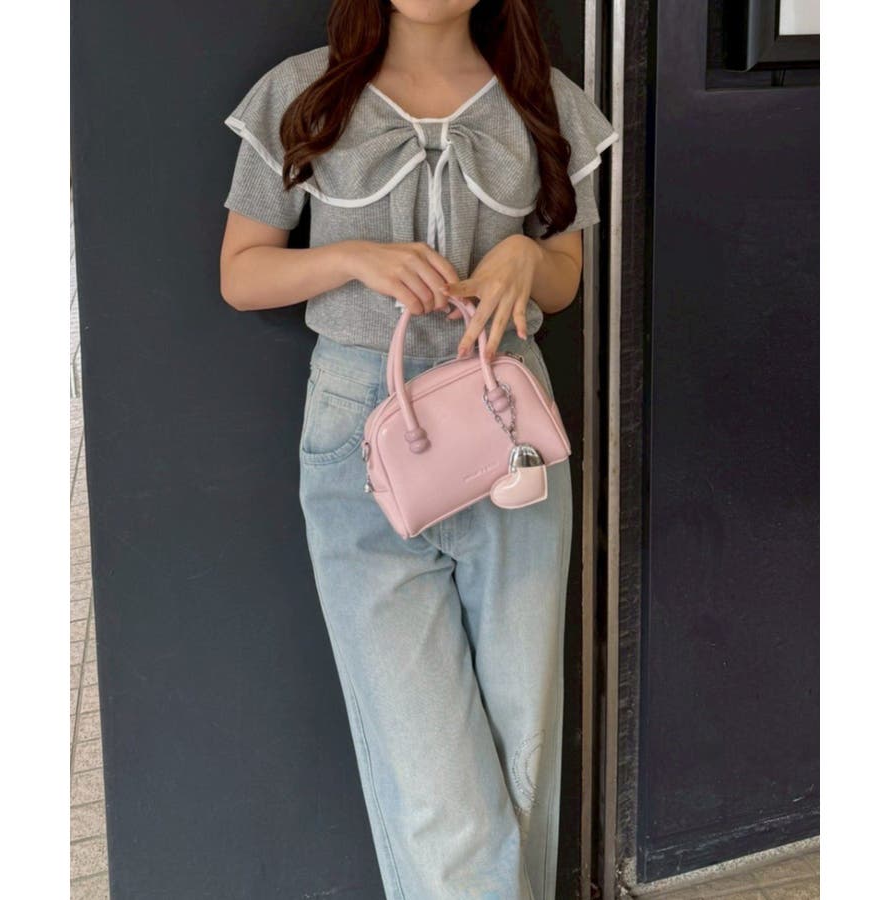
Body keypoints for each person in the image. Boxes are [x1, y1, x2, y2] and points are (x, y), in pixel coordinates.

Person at [218, 2, 618, 897]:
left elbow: (564, 273)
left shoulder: (544, 102)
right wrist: (352, 258)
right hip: (363, 433)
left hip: (508, 427)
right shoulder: (303, 94)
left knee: (523, 742)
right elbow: (242, 271)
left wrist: (523, 258)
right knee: (432, 776)